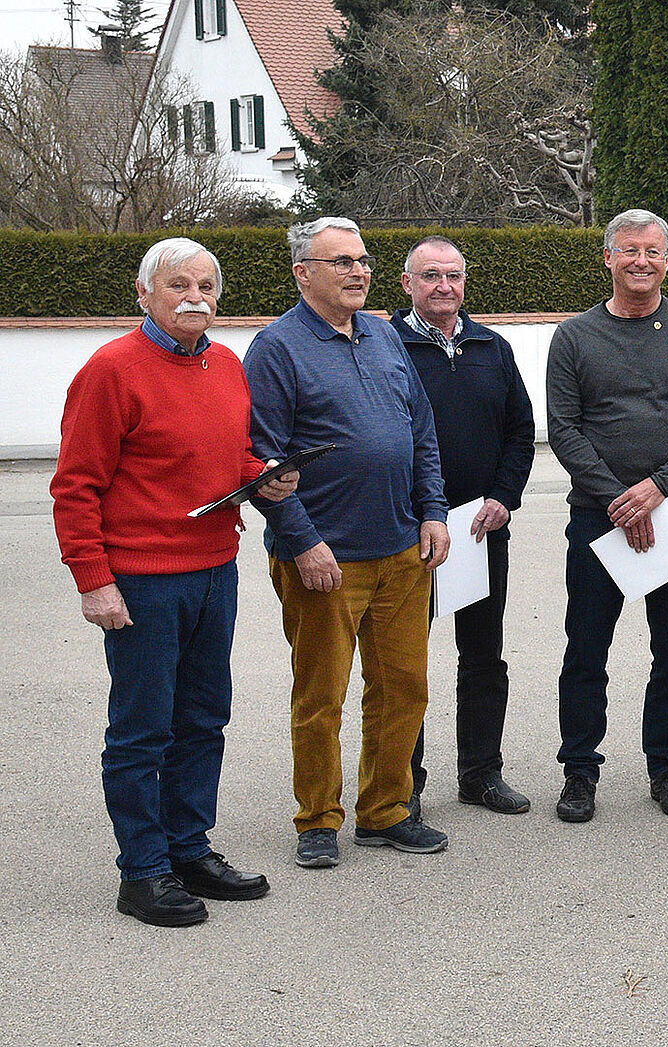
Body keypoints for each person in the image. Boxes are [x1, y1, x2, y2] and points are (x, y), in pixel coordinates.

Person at [52, 239, 295, 925]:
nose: (194, 295)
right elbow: (75, 487)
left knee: (203, 719)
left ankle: (189, 847)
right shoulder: (111, 371)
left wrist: (263, 473)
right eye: (178, 284)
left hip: (215, 570)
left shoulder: (225, 364)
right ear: (144, 294)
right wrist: (93, 580)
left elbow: (227, 452)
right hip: (143, 580)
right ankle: (144, 871)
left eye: (206, 284)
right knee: (142, 730)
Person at [246, 217, 452, 869]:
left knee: (404, 688)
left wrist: (433, 510)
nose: (358, 271)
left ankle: (386, 809)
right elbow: (262, 458)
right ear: (303, 271)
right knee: (321, 694)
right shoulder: (276, 348)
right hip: (323, 558)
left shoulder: (386, 336)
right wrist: (302, 541)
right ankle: (317, 819)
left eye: (362, 259)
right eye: (341, 261)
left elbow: (420, 430)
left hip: (402, 552)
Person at [547, 209, 668, 822]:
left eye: (652, 251)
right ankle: (579, 769)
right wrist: (618, 499)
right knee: (585, 648)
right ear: (608, 258)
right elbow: (564, 429)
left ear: (667, 259)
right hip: (596, 517)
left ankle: (667, 766)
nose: (640, 261)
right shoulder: (573, 337)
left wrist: (654, 491)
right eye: (629, 251)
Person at [391, 236, 536, 818]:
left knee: (483, 655)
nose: (443, 286)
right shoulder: (386, 347)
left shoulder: (490, 348)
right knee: (405, 661)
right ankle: (405, 782)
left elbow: (521, 432)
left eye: (452, 275)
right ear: (407, 284)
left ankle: (481, 773)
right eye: (430, 276)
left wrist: (504, 497)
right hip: (410, 531)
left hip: (478, 528)